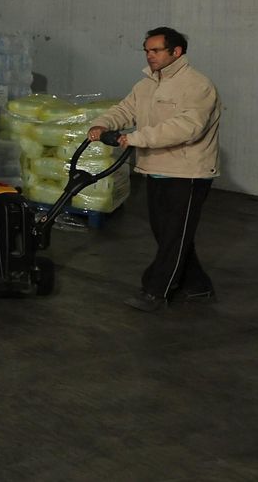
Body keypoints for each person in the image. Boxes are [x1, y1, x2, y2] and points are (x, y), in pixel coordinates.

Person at [87, 26, 221, 313]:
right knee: (168, 233)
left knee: (174, 234)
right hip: (156, 167)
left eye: (156, 50)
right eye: (147, 50)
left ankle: (155, 291)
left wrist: (134, 138)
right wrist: (102, 124)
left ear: (177, 52)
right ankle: (198, 286)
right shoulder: (146, 84)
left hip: (187, 173)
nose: (150, 55)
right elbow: (125, 110)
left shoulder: (197, 85)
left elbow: (187, 127)